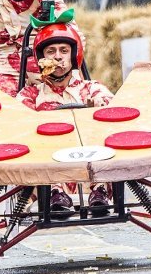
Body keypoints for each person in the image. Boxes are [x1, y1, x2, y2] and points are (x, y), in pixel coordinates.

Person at [17, 20, 113, 215]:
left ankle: (100, 190)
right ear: (41, 58)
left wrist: (96, 107)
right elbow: (18, 122)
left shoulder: (90, 88)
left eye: (63, 51)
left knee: (106, 133)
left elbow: (111, 105)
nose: (58, 57)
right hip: (49, 163)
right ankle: (55, 192)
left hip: (89, 159)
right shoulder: (30, 95)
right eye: (51, 52)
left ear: (73, 55)